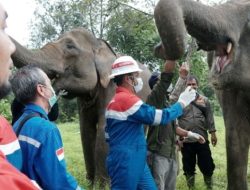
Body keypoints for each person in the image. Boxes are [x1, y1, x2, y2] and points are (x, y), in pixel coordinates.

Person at [105, 55, 197, 190]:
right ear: (127, 79)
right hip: (126, 161)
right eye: (136, 76)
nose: (138, 80)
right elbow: (160, 117)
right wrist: (182, 103)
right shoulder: (126, 100)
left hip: (137, 159)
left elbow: (107, 135)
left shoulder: (115, 101)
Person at [11, 65, 83, 190]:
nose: (52, 90)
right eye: (49, 84)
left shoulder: (18, 124)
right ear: (41, 90)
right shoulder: (46, 130)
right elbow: (58, 182)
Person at [146, 60, 205, 190]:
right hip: (157, 155)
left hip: (171, 154)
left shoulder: (167, 103)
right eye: (162, 82)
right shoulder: (153, 100)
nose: (168, 84)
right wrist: (182, 77)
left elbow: (173, 125)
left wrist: (190, 134)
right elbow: (168, 89)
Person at [0, 3, 38, 189]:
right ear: (41, 90)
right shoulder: (46, 129)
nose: (12, 48)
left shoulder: (16, 121)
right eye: (2, 28)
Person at [171, 72, 217, 189]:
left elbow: (209, 117)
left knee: (207, 165)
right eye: (189, 84)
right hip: (186, 140)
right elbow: (174, 120)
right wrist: (177, 139)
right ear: (185, 85)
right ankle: (191, 187)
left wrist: (213, 134)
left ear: (198, 85)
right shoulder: (180, 100)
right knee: (188, 167)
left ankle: (209, 186)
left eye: (194, 84)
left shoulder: (204, 100)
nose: (191, 86)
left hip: (202, 139)